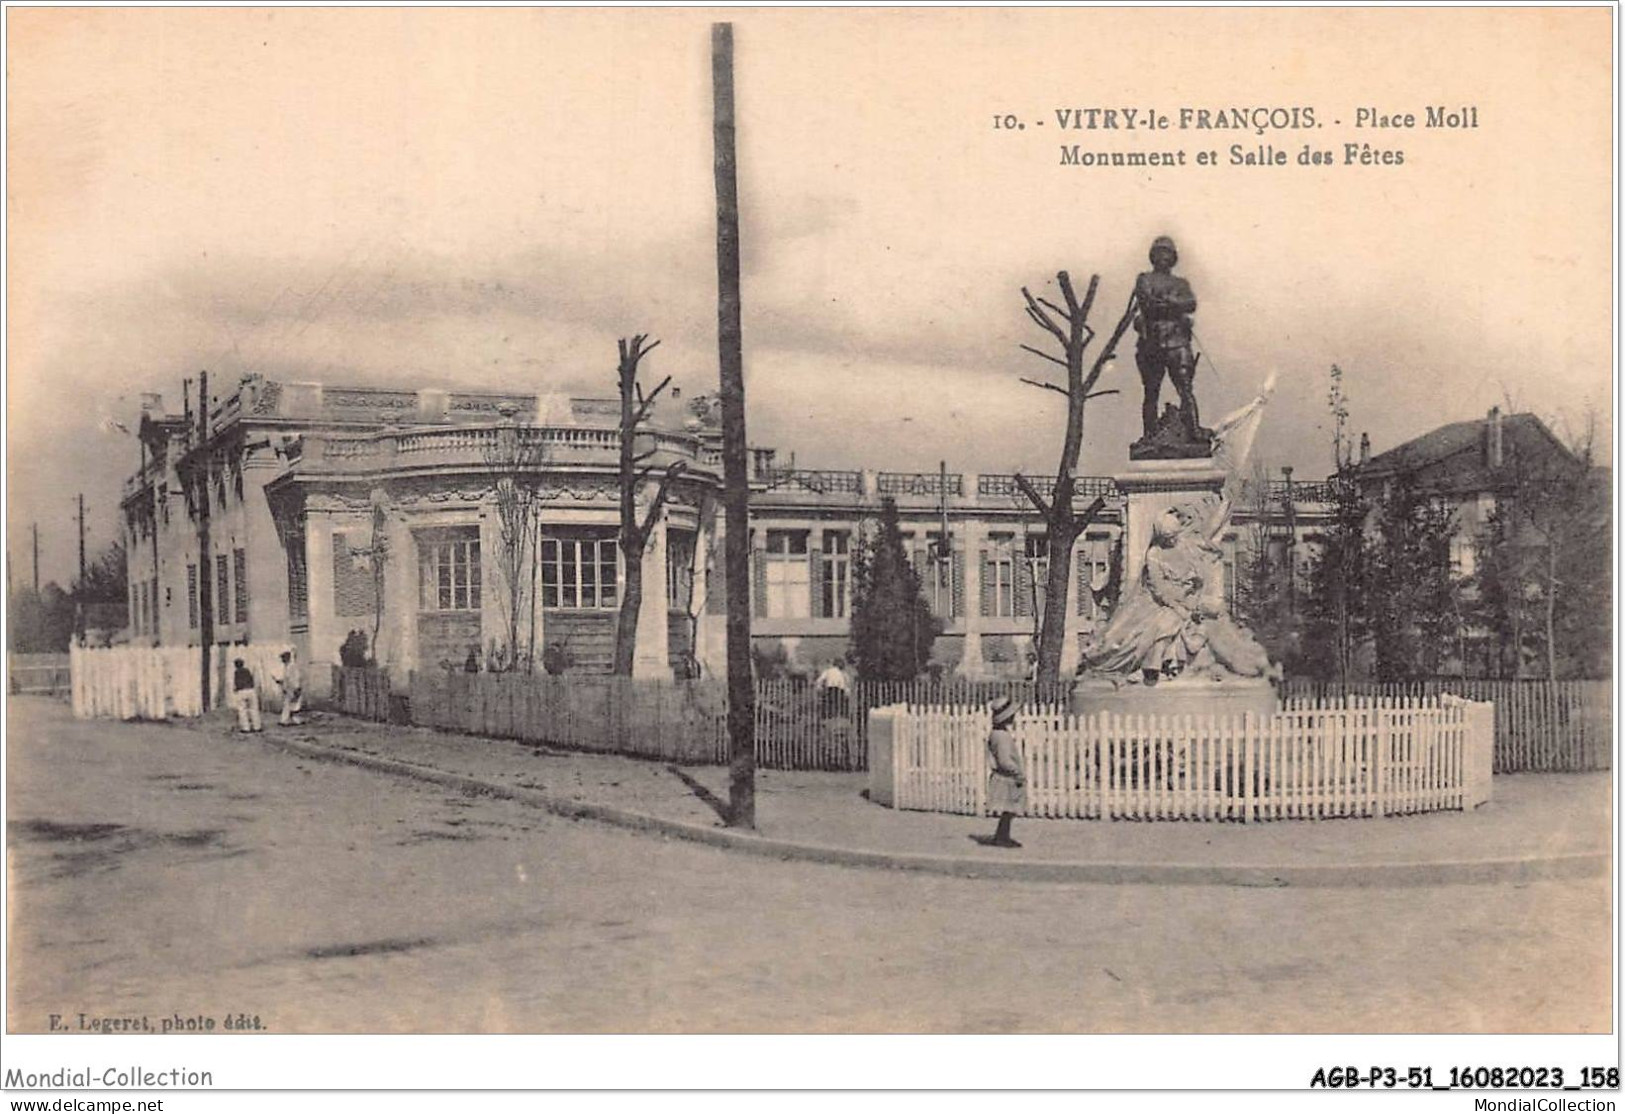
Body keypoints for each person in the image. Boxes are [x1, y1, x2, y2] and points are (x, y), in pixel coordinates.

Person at [1133, 236, 1202, 443]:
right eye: (1159, 253)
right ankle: (1149, 434)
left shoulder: (1181, 283)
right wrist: (1175, 305)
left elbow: (1191, 303)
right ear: (1153, 256)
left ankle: (1194, 430)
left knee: (1185, 388)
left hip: (1178, 341)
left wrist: (1169, 303)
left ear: (1173, 258)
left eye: (1168, 253)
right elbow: (1148, 303)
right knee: (1152, 391)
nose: (1163, 257)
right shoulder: (1144, 278)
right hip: (1152, 342)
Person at [983, 696, 1025, 848]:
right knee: (1008, 809)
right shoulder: (1002, 736)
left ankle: (1002, 835)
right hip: (1007, 776)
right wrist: (1017, 773)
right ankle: (1002, 837)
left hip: (1004, 776)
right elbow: (1004, 760)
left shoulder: (996, 733)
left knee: (1009, 810)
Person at [231, 657, 262, 734]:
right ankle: (257, 727)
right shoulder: (247, 671)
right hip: (251, 690)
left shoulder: (237, 672)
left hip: (242, 691)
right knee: (254, 709)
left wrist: (235, 689)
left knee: (242, 709)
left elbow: (237, 683)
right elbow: (251, 681)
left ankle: (246, 728)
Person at [278, 649, 305, 726]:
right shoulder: (286, 667)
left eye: (283, 658)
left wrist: (297, 688)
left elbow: (295, 678)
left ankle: (286, 720)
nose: (282, 660)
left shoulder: (292, 666)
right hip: (289, 688)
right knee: (291, 704)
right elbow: (287, 678)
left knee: (292, 704)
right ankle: (293, 720)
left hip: (293, 688)